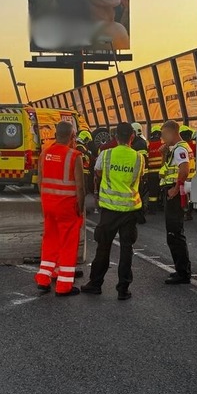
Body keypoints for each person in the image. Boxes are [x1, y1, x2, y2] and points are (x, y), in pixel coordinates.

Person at [81, 122, 144, 301]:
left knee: (103, 247)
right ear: (132, 137)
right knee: (126, 249)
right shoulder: (139, 158)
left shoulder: (106, 154)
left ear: (115, 137)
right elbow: (140, 177)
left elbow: (98, 172)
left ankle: (95, 284)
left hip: (109, 209)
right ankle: (123, 289)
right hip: (130, 209)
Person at [35, 121, 86, 297]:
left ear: (56, 135)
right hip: (67, 206)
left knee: (50, 240)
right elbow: (80, 187)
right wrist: (81, 207)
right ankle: (64, 285)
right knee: (68, 243)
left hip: (48, 205)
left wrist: (46, 201)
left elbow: (40, 182)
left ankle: (44, 278)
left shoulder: (45, 153)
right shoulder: (74, 156)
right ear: (72, 137)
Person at [160, 121, 193, 284]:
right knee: (173, 233)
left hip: (175, 194)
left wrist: (175, 188)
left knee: (174, 233)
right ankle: (181, 269)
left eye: (164, 134)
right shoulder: (175, 149)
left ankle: (183, 272)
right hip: (174, 192)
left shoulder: (180, 148)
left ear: (173, 132)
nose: (162, 138)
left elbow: (184, 169)